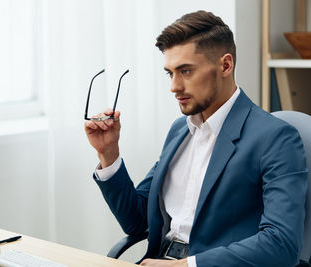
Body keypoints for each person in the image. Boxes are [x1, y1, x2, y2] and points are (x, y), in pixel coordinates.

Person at [84, 10, 308, 267]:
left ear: (225, 65)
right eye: (170, 73)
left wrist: (185, 266)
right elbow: (137, 222)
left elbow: (282, 244)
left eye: (186, 71)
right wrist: (108, 153)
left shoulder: (276, 138)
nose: (174, 86)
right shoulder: (180, 131)